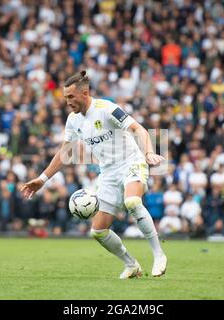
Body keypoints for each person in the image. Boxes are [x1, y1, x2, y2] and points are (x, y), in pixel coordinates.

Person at [21, 70, 167, 279]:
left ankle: (158, 254)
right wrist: (42, 179)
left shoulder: (107, 109)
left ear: (85, 93)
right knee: (98, 231)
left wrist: (149, 152)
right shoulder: (73, 120)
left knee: (133, 202)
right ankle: (131, 265)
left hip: (131, 162)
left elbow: (138, 129)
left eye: (71, 97)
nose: (68, 102)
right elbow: (65, 154)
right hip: (107, 172)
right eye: (65, 98)